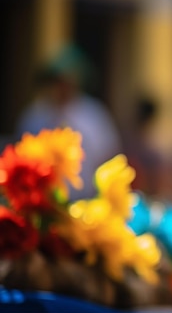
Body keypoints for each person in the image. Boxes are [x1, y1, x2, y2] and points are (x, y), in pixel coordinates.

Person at [16, 44, 122, 200]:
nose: (62, 87)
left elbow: (108, 156)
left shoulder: (94, 115)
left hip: (86, 202)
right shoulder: (34, 116)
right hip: (42, 202)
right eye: (57, 81)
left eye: (67, 81)